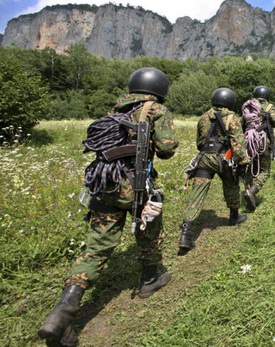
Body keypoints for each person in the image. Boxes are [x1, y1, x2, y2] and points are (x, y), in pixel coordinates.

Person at [38, 67, 179, 345]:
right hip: (134, 181)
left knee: (97, 245)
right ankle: (150, 278)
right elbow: (167, 149)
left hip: (105, 183)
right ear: (159, 88)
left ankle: (62, 312)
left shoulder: (114, 110)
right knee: (149, 223)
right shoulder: (156, 110)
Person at [178, 87, 249, 252]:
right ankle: (234, 216)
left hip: (205, 158)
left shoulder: (203, 117)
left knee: (197, 193)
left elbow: (199, 143)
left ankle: (186, 233)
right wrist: (242, 162)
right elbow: (238, 146)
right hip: (224, 159)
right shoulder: (232, 118)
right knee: (231, 185)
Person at [242, 86, 275, 211]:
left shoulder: (248, 106)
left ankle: (247, 190)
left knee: (249, 169)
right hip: (263, 143)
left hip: (249, 143)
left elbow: (243, 123)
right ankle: (252, 191)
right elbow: (274, 121)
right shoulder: (269, 107)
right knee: (265, 171)